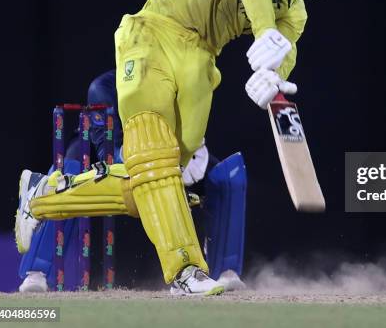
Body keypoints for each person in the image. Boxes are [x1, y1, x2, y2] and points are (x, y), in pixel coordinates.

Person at [16, 0, 358, 295]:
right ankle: (186, 271)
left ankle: (42, 197)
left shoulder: (295, 12)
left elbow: (285, 50)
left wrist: (273, 79)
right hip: (155, 31)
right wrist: (263, 32)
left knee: (155, 182)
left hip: (200, 62)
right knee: (154, 156)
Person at [16, 71, 247, 294]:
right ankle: (35, 271)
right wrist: (161, 171)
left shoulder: (184, 77)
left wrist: (191, 152)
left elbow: (190, 128)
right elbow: (111, 154)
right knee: (69, 168)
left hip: (164, 151)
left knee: (229, 175)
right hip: (104, 149)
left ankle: (226, 272)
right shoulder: (108, 87)